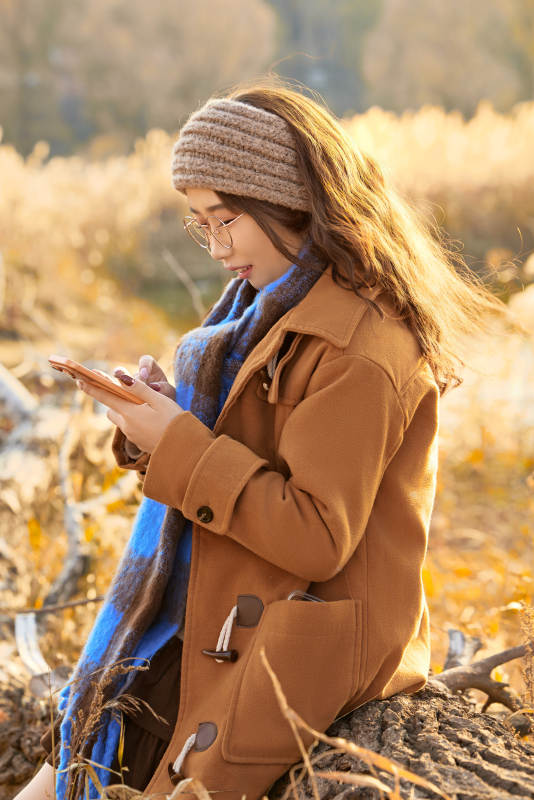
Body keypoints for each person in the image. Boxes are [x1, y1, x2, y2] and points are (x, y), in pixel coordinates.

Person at [18, 79, 514, 800]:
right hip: (224, 608)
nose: (216, 248)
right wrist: (160, 422)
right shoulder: (267, 307)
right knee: (69, 761)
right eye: (199, 224)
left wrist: (181, 440)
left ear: (290, 202)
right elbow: (249, 457)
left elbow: (317, 535)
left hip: (295, 638)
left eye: (226, 221)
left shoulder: (360, 345)